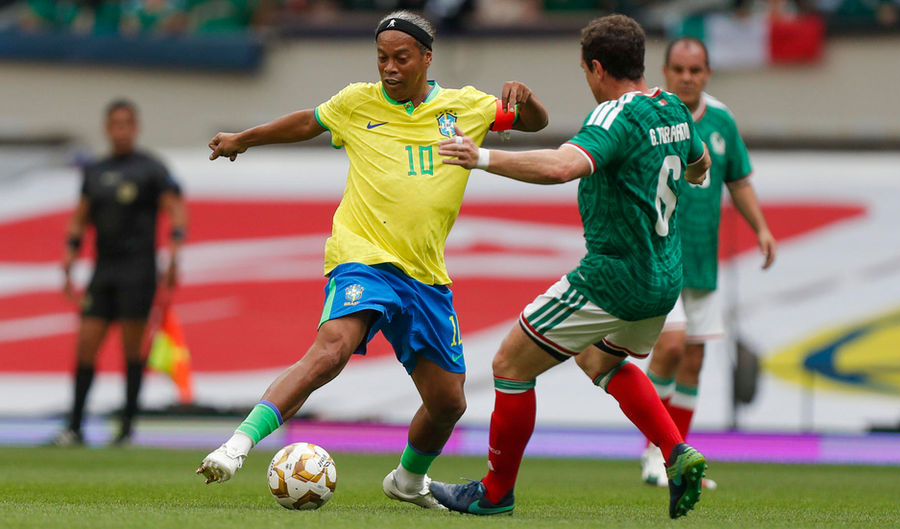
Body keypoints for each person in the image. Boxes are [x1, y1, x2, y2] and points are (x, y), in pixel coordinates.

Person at [195, 10, 549, 510]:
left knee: (448, 403)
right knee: (332, 349)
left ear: (427, 57)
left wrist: (526, 99)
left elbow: (535, 123)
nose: (389, 68)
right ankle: (237, 446)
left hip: (425, 274)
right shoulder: (356, 102)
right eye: (382, 57)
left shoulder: (465, 106)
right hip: (363, 256)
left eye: (401, 58)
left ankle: (407, 480)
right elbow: (307, 122)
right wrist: (243, 139)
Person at [429, 14, 711, 519]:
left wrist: (481, 158)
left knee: (510, 365)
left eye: (585, 71)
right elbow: (700, 162)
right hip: (665, 277)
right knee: (598, 360)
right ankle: (676, 451)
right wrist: (686, 174)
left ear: (597, 67)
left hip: (614, 277)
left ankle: (495, 493)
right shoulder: (672, 107)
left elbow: (563, 166)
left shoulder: (613, 116)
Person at [639, 37, 777, 489]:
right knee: (671, 347)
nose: (686, 77)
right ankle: (654, 452)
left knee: (694, 360)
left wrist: (761, 228)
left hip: (701, 258)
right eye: (678, 69)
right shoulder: (650, 115)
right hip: (659, 255)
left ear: (707, 74)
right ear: (665, 72)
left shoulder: (720, 120)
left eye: (695, 70)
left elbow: (739, 180)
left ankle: (679, 461)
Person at [54, 98, 186, 446]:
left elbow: (176, 212)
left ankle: (126, 428)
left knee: (132, 349)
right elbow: (80, 218)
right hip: (103, 271)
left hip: (138, 271)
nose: (121, 131)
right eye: (115, 124)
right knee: (86, 345)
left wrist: (174, 254)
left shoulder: (151, 169)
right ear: (107, 128)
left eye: (126, 124)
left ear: (135, 127)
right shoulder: (95, 171)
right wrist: (69, 256)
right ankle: (74, 427)